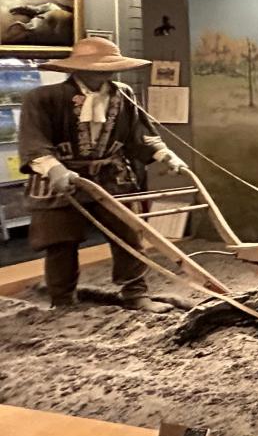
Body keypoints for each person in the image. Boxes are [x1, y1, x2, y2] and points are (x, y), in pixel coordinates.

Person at [18, 37, 188, 312]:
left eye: (109, 68)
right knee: (61, 242)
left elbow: (139, 134)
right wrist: (55, 169)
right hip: (61, 178)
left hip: (111, 176)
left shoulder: (123, 95)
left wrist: (164, 155)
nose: (103, 74)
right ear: (77, 68)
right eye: (96, 68)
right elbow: (33, 141)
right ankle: (63, 300)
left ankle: (135, 294)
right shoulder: (43, 98)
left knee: (129, 235)